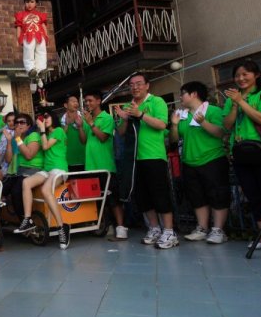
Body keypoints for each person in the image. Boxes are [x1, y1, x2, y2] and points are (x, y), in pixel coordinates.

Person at [222, 60, 261, 252]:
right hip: (241, 154)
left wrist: (241, 102)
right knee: (252, 195)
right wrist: (234, 105)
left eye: (245, 74)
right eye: (237, 75)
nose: (240, 78)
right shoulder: (232, 99)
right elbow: (227, 126)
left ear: (256, 75)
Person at [116, 74, 176, 249]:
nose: (135, 87)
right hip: (134, 158)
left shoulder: (157, 102)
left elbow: (162, 125)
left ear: (147, 86)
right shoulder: (129, 106)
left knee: (160, 194)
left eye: (139, 84)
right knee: (143, 196)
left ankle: (169, 232)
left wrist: (141, 114)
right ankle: (155, 228)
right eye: (131, 85)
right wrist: (125, 120)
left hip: (154, 156)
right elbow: (120, 132)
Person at [169, 81, 229, 244]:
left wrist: (203, 122)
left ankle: (218, 230)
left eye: (183, 93)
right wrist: (174, 125)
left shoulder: (213, 110)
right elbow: (174, 140)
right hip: (189, 161)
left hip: (212, 159)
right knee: (197, 197)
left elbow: (220, 133)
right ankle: (202, 228)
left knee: (217, 195)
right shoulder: (182, 114)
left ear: (194, 94)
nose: (180, 97)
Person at [15, 112, 70, 249]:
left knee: (46, 190)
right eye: (42, 118)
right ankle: (27, 219)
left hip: (59, 169)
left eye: (47, 117)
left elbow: (45, 147)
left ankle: (62, 227)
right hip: (47, 169)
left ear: (54, 118)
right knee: (26, 183)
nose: (44, 120)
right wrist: (18, 138)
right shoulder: (44, 134)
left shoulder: (58, 131)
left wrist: (42, 130)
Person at [81, 90, 128, 240]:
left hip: (105, 166)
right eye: (86, 101)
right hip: (90, 166)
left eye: (90, 100)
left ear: (98, 101)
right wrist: (81, 125)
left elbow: (102, 137)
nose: (87, 104)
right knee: (97, 199)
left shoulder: (106, 118)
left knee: (113, 199)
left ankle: (121, 228)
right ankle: (104, 226)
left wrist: (90, 123)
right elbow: (83, 140)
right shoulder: (87, 119)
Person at [3, 113, 43, 219]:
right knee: (2, 189)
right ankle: (8, 218)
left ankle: (25, 221)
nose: (19, 125)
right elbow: (8, 159)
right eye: (17, 123)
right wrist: (9, 141)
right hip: (19, 172)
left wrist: (17, 138)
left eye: (22, 122)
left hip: (33, 170)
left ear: (29, 125)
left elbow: (29, 155)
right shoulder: (17, 138)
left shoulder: (33, 135)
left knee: (16, 191)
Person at [14, 0, 48, 82]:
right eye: (27, 2)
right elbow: (19, 27)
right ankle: (30, 69)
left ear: (36, 3)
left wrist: (46, 36)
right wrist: (18, 38)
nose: (29, 4)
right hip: (27, 36)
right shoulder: (21, 15)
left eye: (32, 2)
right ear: (24, 3)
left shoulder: (40, 15)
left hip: (40, 35)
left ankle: (41, 69)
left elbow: (43, 25)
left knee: (41, 52)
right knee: (28, 51)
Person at [62, 94, 86, 172]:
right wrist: (66, 125)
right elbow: (61, 141)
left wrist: (80, 127)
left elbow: (84, 141)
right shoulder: (61, 121)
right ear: (66, 105)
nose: (76, 103)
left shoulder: (84, 119)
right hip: (66, 161)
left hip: (83, 159)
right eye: (73, 101)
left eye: (76, 101)